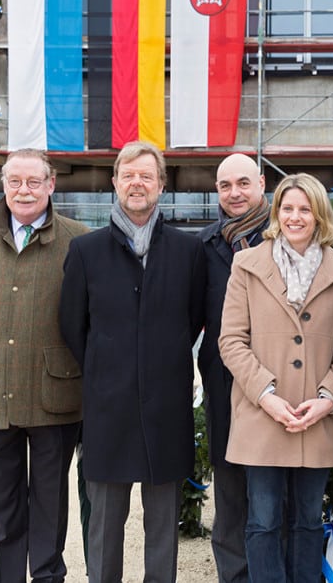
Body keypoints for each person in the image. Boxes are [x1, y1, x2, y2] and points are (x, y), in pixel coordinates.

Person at [59, 141, 206, 583]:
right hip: (108, 410)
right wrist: (109, 370)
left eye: (146, 175)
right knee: (104, 523)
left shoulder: (188, 251)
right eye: (128, 175)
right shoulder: (86, 252)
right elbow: (71, 325)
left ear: (161, 185)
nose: (136, 183)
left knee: (163, 526)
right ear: (115, 184)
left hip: (166, 409)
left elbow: (194, 319)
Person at [0, 148, 90, 583]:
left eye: (33, 181)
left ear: (51, 185)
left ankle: (47, 577)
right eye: (14, 181)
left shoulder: (78, 241)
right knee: (0, 507)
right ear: (4, 185)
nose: (23, 190)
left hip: (56, 396)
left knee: (50, 504)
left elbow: (93, 320)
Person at [218, 172, 333, 583]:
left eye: (305, 209)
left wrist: (328, 398)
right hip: (263, 415)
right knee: (262, 521)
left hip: (317, 417)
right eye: (288, 208)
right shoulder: (246, 264)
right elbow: (231, 340)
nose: (296, 217)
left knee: (309, 521)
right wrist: (267, 395)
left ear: (319, 215)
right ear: (277, 213)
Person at [198, 153, 269, 583]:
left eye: (243, 183)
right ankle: (235, 576)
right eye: (226, 186)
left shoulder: (289, 234)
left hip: (282, 380)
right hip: (223, 382)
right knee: (229, 489)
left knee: (274, 487)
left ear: (261, 183)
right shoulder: (205, 245)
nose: (234, 193)